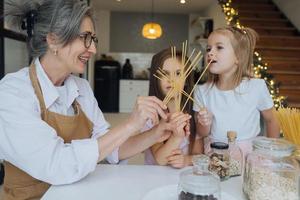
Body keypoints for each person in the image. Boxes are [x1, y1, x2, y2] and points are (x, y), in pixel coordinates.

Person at [0, 0, 182, 199]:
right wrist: (130, 125)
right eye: (85, 38)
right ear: (52, 40)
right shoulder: (13, 92)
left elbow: (111, 149)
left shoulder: (81, 88)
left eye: (93, 39)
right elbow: (58, 165)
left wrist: (156, 133)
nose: (93, 49)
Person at [193, 26, 280, 156]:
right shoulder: (202, 91)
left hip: (249, 156)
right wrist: (203, 123)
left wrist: (271, 153)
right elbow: (201, 133)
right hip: (215, 154)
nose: (210, 53)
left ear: (238, 57)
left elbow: (272, 120)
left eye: (219, 47)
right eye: (208, 49)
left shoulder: (256, 87)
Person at [143, 48, 204, 168]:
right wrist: (177, 136)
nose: (171, 80)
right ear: (156, 78)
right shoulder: (150, 115)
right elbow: (160, 159)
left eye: (178, 73)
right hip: (153, 179)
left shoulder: (193, 114)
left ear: (186, 79)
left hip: (182, 179)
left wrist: (187, 160)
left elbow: (200, 155)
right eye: (164, 73)